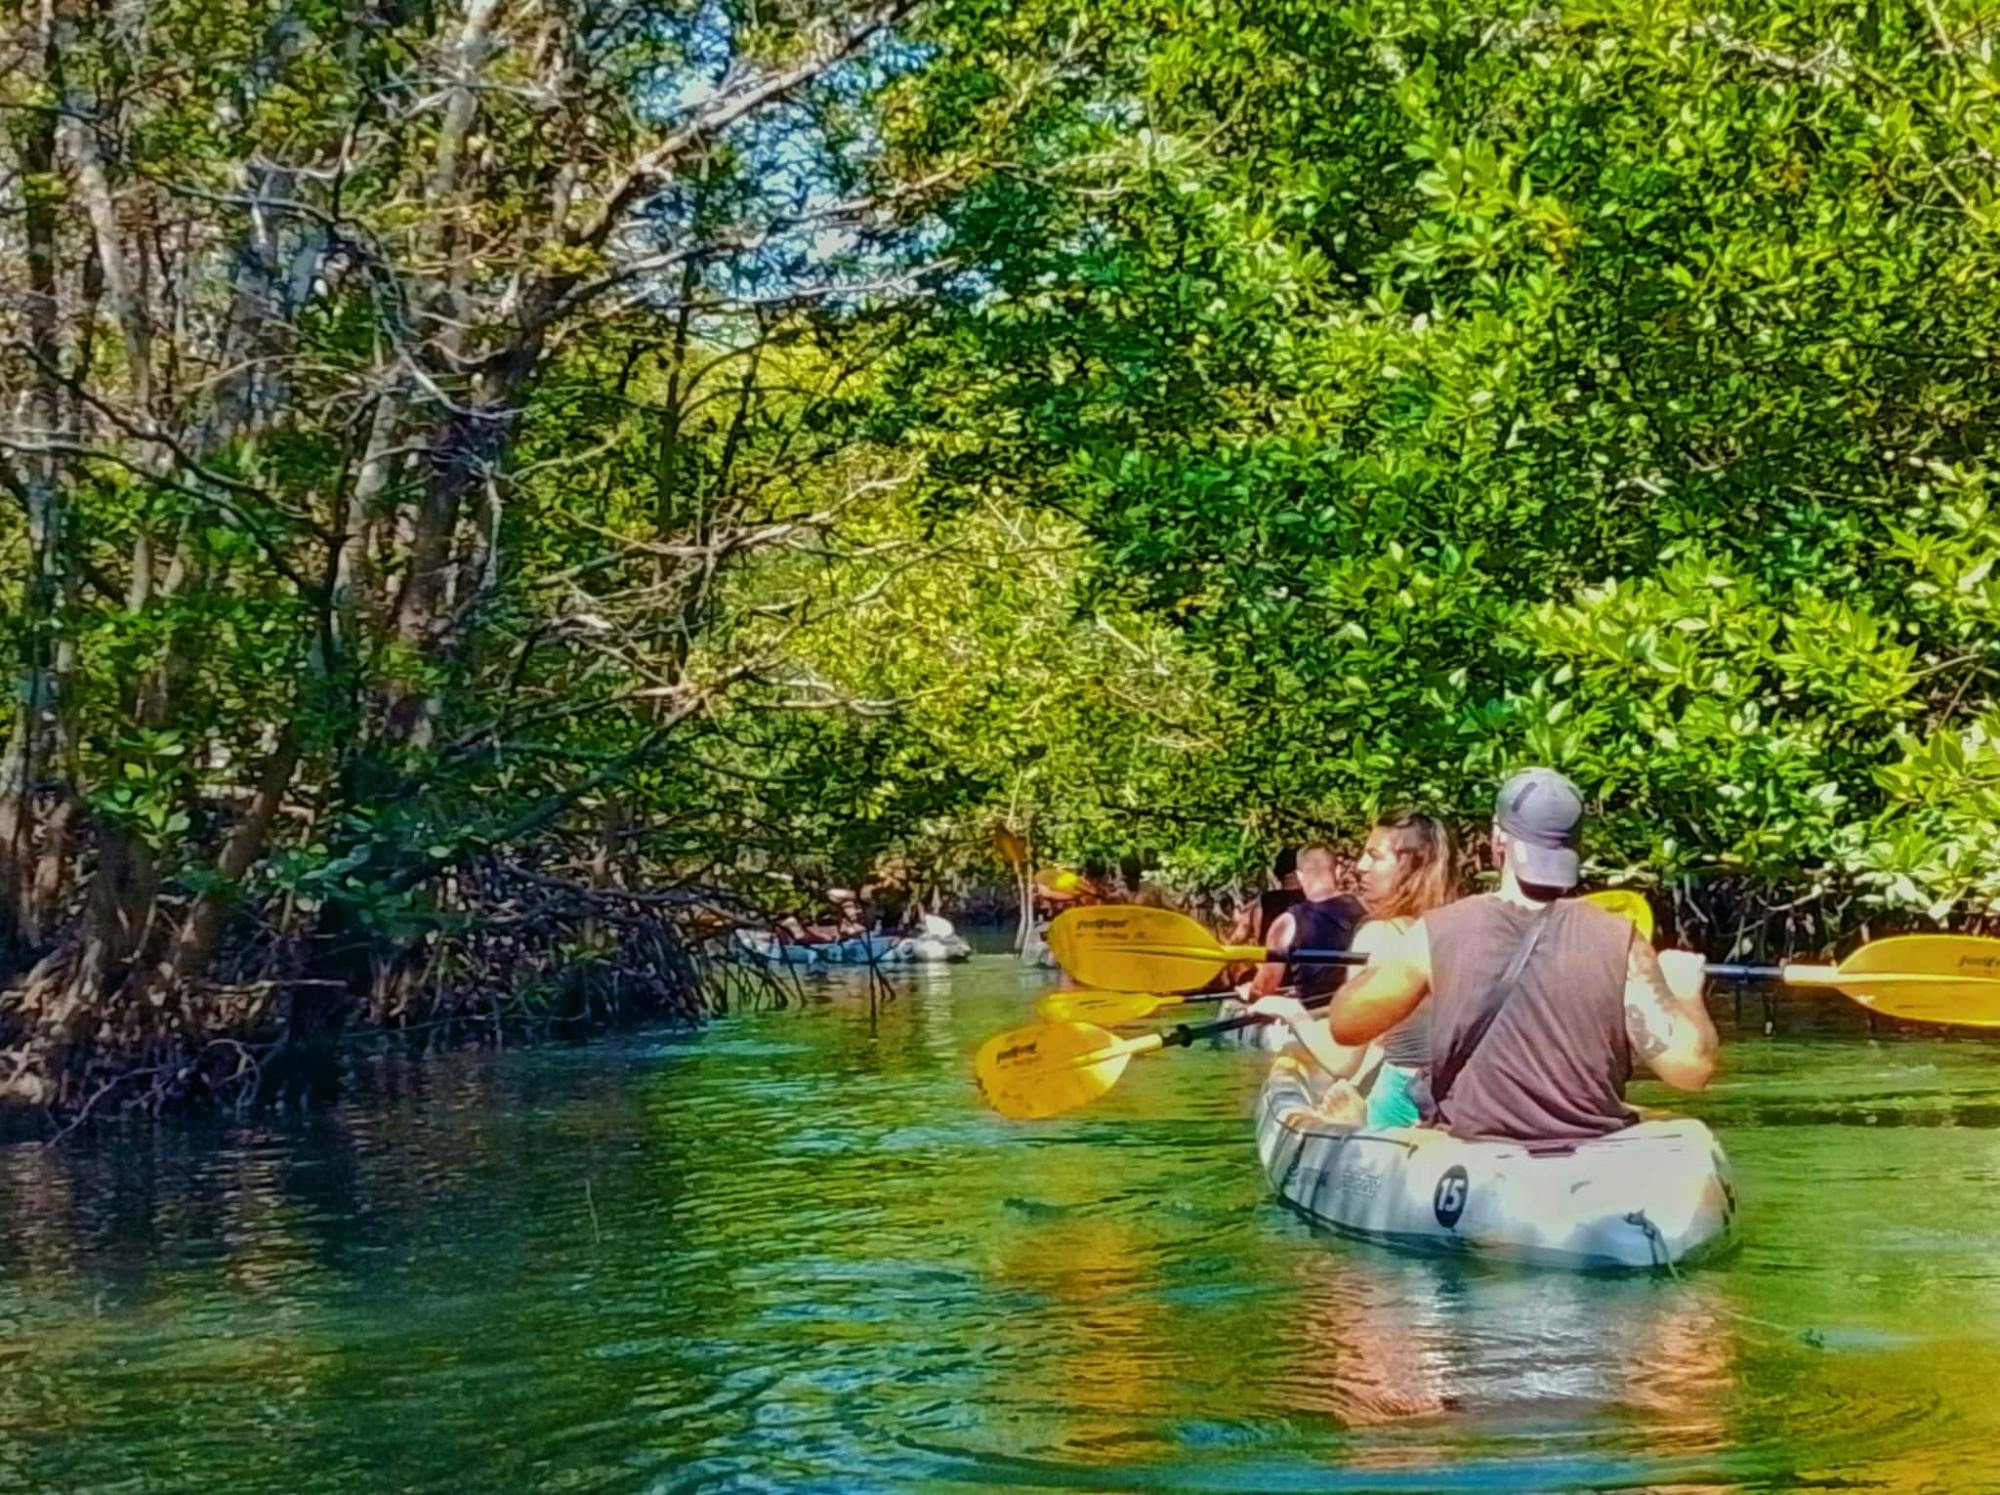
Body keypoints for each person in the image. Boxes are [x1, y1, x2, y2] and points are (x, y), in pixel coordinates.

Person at [1254, 768, 1715, 1146]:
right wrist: (1687, 994)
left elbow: (1346, 1026)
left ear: (1498, 840)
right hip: (1588, 1150)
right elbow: (1692, 1071)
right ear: (1576, 844)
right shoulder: (1624, 941)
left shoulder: (1435, 934)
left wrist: (1387, 970)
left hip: (1475, 1151)